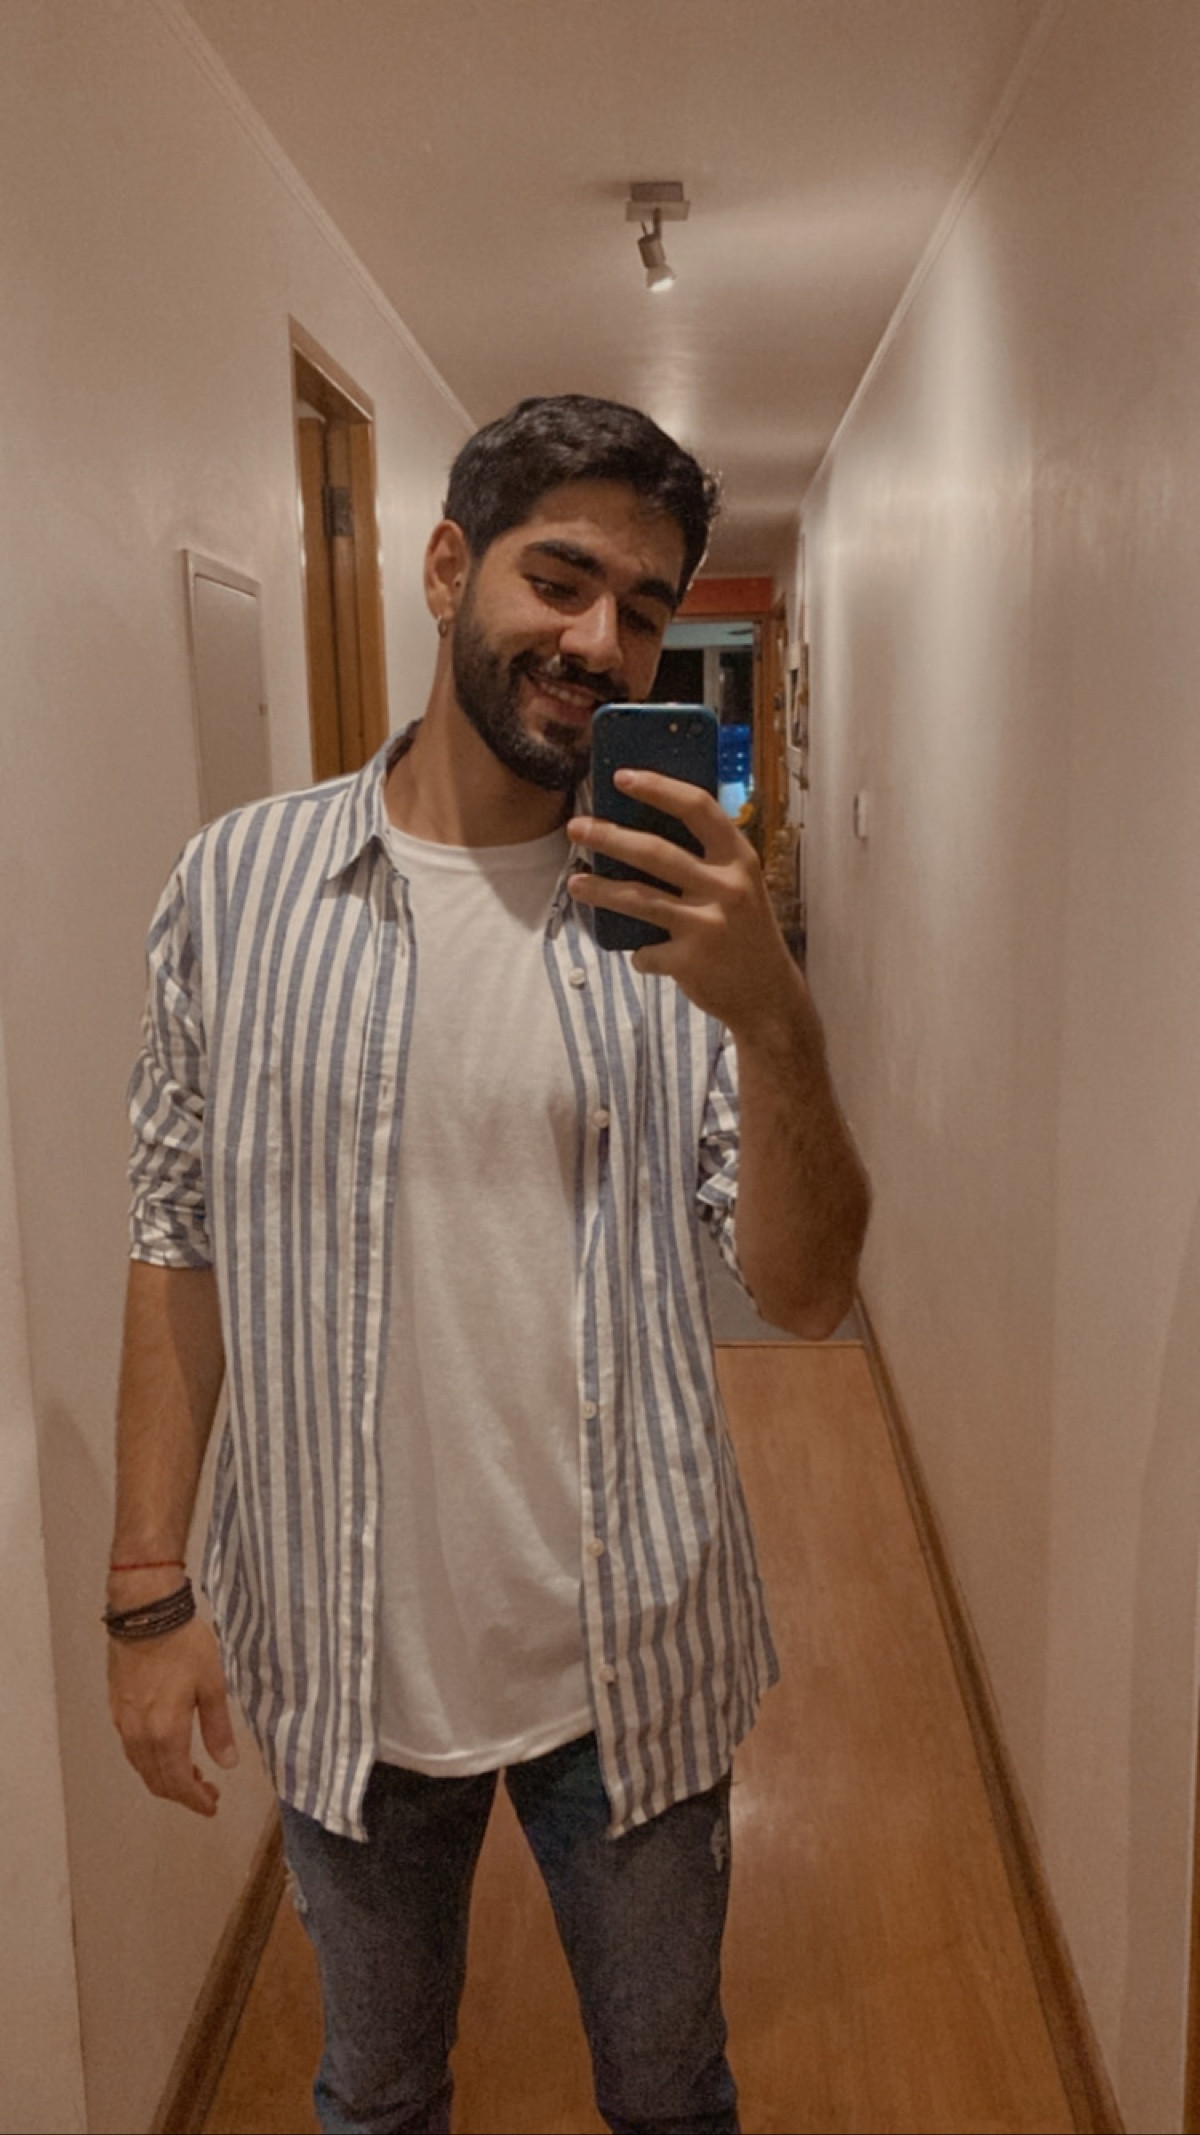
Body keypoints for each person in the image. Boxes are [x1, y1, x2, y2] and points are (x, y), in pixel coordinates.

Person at [106, 394, 870, 2135]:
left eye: (646, 609)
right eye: (561, 578)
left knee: (669, 2095)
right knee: (376, 2096)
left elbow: (810, 1292)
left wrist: (775, 1019)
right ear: (450, 568)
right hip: (340, 1647)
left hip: (634, 1653)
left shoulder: (681, 925)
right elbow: (174, 1237)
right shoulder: (238, 889)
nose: (599, 641)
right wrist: (147, 1595)